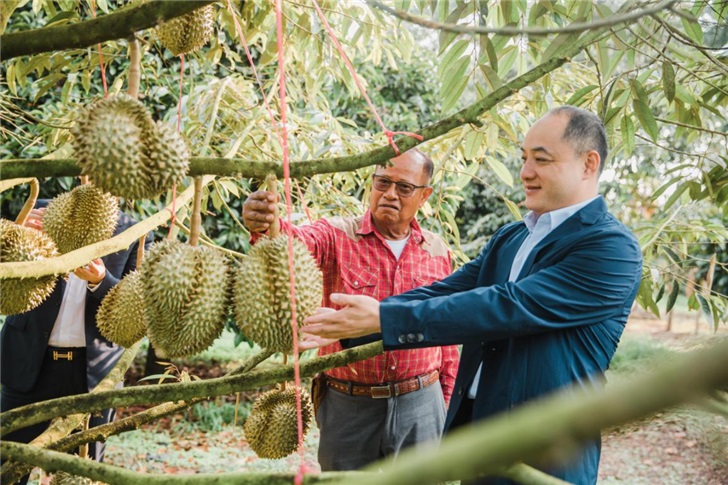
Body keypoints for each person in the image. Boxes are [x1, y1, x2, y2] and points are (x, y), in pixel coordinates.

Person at [300, 106, 643, 484]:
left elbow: (509, 307)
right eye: (524, 158)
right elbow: (449, 291)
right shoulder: (513, 237)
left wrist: (384, 318)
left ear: (588, 164)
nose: (525, 172)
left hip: (547, 448)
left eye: (541, 160)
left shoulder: (610, 248)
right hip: (478, 434)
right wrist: (367, 317)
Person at [242, 148, 460, 471]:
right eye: (382, 182)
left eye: (403, 187)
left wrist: (443, 401)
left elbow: (448, 336)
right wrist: (264, 223)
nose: (389, 194)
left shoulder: (437, 251)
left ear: (424, 196)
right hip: (349, 404)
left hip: (421, 401)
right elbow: (294, 243)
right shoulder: (337, 235)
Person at [1, 196, 151, 485]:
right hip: (28, 364)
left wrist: (101, 279)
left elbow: (139, 308)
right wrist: (18, 229)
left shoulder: (137, 230)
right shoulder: (46, 210)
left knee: (82, 471)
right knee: (8, 463)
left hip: (92, 376)